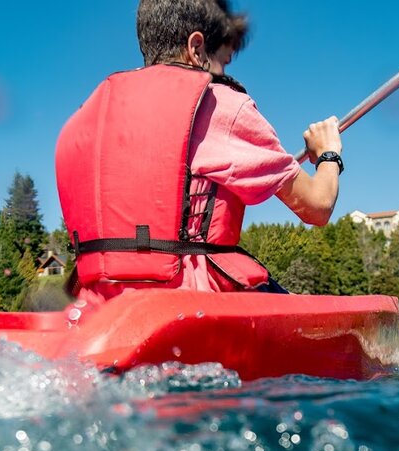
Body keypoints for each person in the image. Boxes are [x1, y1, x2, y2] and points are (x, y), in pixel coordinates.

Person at [56, 0, 343, 303]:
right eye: (224, 61)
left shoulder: (84, 120)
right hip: (196, 301)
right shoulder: (221, 105)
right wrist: (328, 153)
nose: (223, 73)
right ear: (197, 48)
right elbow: (317, 205)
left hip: (100, 304)